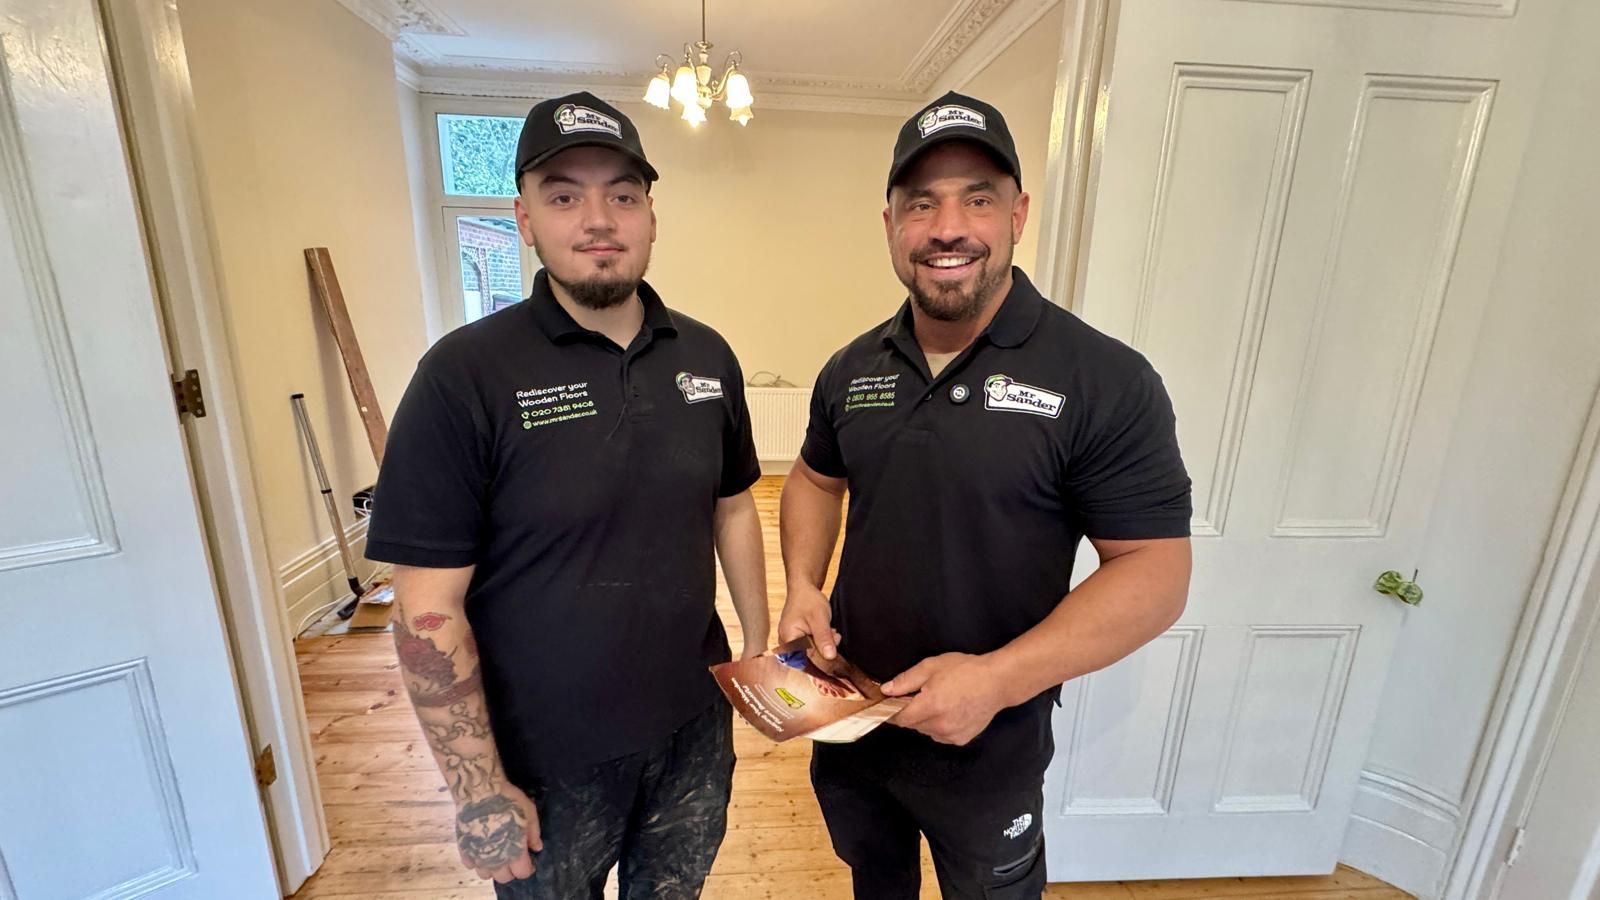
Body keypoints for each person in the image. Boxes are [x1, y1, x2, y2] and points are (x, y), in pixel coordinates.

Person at [777, 91, 1194, 899]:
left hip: (991, 745)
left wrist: (997, 681)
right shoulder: (851, 369)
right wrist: (801, 583)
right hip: (852, 717)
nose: (947, 227)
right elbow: (813, 478)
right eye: (920, 203)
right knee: (875, 879)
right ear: (891, 222)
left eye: (978, 197)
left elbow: (1156, 573)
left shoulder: (1105, 379)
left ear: (1018, 215)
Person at [366, 91, 768, 900]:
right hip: (547, 756)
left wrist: (758, 649)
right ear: (524, 219)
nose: (598, 219)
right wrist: (475, 786)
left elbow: (731, 504)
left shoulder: (707, 357)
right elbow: (426, 607)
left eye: (622, 194)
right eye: (564, 195)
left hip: (692, 728)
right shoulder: (463, 375)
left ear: (651, 215)